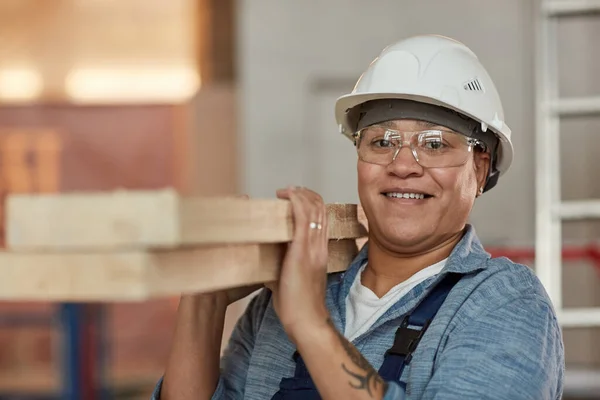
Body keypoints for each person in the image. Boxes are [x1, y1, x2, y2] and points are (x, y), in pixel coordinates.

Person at [152, 34, 564, 399]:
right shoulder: (287, 297)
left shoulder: (504, 303)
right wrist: (203, 298)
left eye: (435, 144)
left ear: (478, 169)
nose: (403, 164)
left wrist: (311, 325)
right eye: (382, 141)